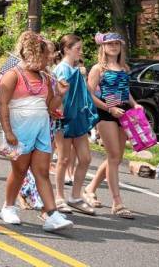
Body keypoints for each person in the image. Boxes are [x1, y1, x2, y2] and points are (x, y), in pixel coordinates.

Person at [0, 31, 73, 232]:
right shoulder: (13, 75)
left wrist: (61, 95)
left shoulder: (46, 78)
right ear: (33, 53)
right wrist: (8, 131)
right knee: (19, 171)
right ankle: (8, 207)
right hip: (19, 128)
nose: (50, 59)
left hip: (41, 130)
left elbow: (49, 107)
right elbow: (2, 104)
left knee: (42, 172)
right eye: (46, 55)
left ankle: (52, 215)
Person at [83, 32, 142, 219]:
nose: (114, 47)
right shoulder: (98, 69)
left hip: (124, 113)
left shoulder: (124, 67)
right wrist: (109, 108)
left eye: (117, 43)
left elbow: (126, 91)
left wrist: (135, 104)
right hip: (107, 113)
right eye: (110, 44)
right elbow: (90, 95)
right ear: (103, 47)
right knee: (114, 157)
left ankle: (90, 188)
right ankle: (117, 203)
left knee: (115, 158)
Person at [52, 34, 97, 216]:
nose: (80, 52)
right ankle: (59, 197)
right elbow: (59, 95)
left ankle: (76, 196)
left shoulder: (75, 69)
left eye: (80, 48)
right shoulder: (61, 69)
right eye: (77, 49)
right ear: (66, 49)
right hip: (63, 118)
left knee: (85, 158)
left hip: (77, 117)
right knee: (63, 159)